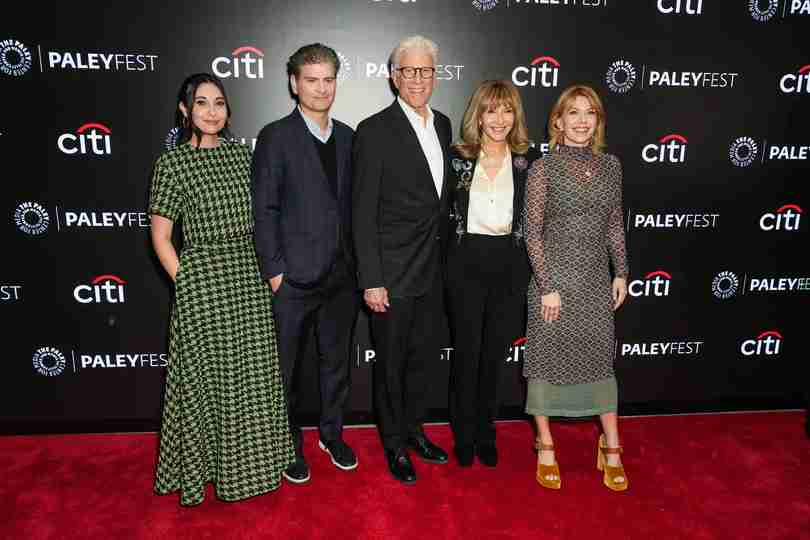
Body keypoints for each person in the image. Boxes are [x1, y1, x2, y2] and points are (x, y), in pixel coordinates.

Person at [149, 73, 294, 506]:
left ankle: (255, 466)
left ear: (228, 110)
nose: (211, 111)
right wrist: (188, 285)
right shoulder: (171, 164)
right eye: (201, 103)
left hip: (248, 279)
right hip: (203, 283)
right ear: (185, 110)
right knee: (208, 381)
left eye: (218, 103)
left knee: (250, 378)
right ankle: (206, 469)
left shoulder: (243, 157)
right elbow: (161, 238)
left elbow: (268, 218)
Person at [252, 44, 359, 485]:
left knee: (336, 364)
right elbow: (264, 208)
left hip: (342, 277)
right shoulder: (276, 135)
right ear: (294, 83)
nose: (321, 88)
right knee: (286, 370)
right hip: (292, 279)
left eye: (328, 79)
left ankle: (331, 434)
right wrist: (275, 271)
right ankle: (287, 442)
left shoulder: (351, 137)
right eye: (311, 79)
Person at [353, 35, 452, 484]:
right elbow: (362, 212)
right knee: (390, 366)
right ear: (394, 77)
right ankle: (394, 445)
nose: (417, 79)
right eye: (408, 71)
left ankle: (415, 431)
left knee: (421, 363)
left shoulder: (445, 125)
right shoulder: (374, 130)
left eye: (425, 71)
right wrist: (371, 279)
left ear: (436, 75)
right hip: (390, 274)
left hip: (433, 271)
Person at [523, 84, 629, 491]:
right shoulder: (543, 169)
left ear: (597, 121)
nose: (581, 120)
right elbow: (532, 233)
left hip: (594, 281)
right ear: (558, 121)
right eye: (573, 113)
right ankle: (545, 444)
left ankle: (612, 444)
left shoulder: (611, 166)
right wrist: (547, 285)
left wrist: (621, 272)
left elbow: (614, 224)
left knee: (600, 362)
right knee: (547, 362)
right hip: (553, 284)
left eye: (589, 113)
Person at [445, 80, 539, 467]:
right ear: (478, 115)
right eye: (491, 110)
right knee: (466, 355)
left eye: (507, 110)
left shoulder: (529, 161)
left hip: (509, 266)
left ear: (515, 115)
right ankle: (463, 433)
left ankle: (486, 431)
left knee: (493, 358)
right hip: (464, 265)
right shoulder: (458, 158)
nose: (499, 119)